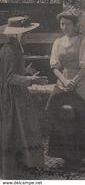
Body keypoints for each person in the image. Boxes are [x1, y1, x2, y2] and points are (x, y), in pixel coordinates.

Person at [48, 10, 85, 168]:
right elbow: (55, 66)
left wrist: (74, 81)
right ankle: (64, 154)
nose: (65, 27)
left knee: (84, 112)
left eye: (68, 24)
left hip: (81, 80)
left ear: (76, 25)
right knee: (60, 112)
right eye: (62, 24)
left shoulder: (84, 40)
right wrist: (64, 80)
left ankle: (81, 154)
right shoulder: (58, 42)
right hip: (63, 80)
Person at [0, 16, 47, 178]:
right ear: (17, 35)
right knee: (17, 129)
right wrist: (30, 79)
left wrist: (26, 72)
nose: (28, 37)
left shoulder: (14, 48)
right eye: (26, 34)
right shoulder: (10, 50)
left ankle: (23, 168)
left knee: (23, 130)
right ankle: (16, 171)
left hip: (18, 94)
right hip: (12, 97)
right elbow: (9, 77)